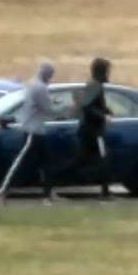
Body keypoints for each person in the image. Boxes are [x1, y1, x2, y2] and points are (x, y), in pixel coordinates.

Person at [0, 61, 59, 206]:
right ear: (47, 74)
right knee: (21, 162)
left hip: (36, 129)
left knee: (45, 162)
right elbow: (48, 109)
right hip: (33, 130)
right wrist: (63, 108)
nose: (50, 78)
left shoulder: (32, 83)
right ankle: (0, 191)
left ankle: (48, 193)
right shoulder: (40, 87)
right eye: (50, 75)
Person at [55, 58, 113, 199]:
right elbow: (87, 106)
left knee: (84, 160)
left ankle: (54, 180)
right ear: (102, 71)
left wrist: (106, 110)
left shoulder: (95, 85)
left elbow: (93, 104)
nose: (109, 73)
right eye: (107, 70)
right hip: (92, 131)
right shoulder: (95, 86)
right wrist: (103, 116)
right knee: (101, 159)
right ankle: (53, 178)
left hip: (89, 130)